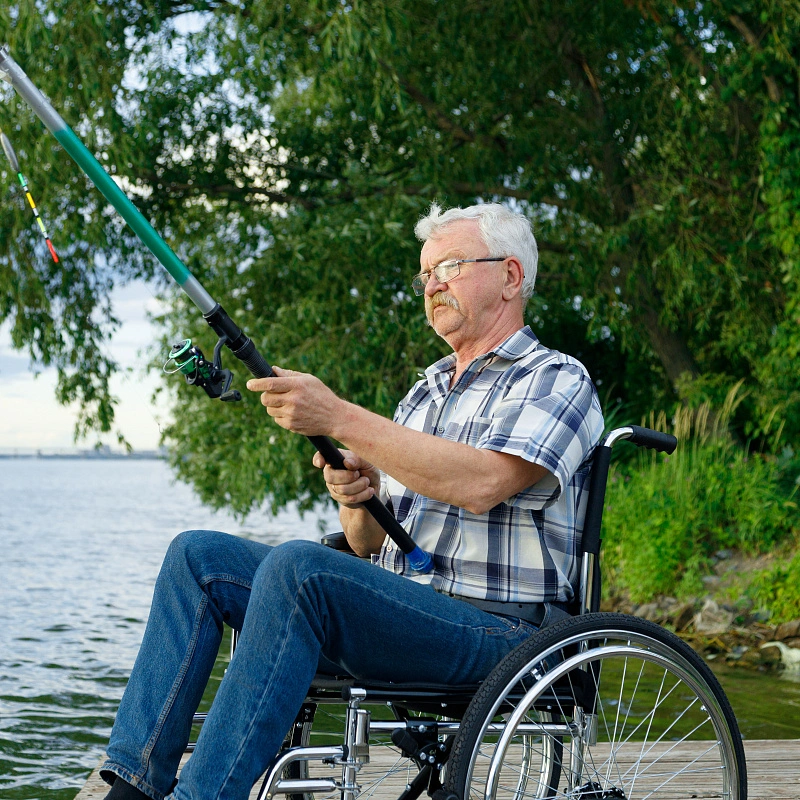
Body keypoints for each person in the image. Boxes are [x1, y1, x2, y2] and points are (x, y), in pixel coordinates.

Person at [100, 203, 604, 800]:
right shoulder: (425, 392)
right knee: (196, 558)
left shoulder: (554, 378)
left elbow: (482, 483)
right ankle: (130, 787)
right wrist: (356, 497)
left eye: (450, 266)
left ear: (511, 277)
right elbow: (368, 545)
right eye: (425, 274)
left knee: (299, 568)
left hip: (502, 633)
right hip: (405, 610)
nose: (433, 284)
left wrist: (338, 415)